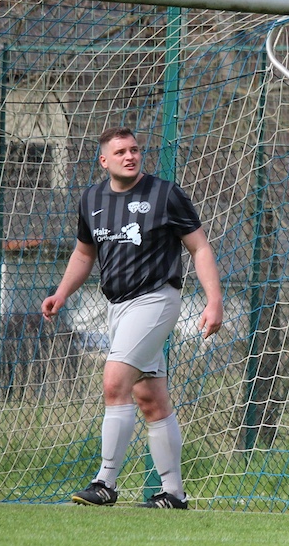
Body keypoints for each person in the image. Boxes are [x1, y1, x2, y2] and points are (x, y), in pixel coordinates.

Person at [42, 126, 224, 509]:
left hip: (156, 300)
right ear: (103, 160)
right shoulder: (92, 199)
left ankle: (105, 482)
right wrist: (61, 293)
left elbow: (200, 248)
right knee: (149, 397)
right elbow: (84, 254)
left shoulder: (165, 194)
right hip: (118, 307)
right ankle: (173, 493)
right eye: (121, 151)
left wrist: (214, 301)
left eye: (135, 150)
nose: (130, 156)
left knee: (114, 381)